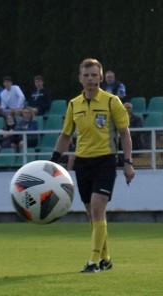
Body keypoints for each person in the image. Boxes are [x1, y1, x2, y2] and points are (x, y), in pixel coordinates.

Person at [50, 58, 135, 273]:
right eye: (86, 75)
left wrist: (128, 162)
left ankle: (94, 261)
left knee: (98, 209)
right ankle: (106, 258)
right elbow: (65, 135)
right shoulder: (73, 104)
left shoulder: (111, 101)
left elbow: (125, 134)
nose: (90, 79)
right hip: (82, 163)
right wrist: (52, 162)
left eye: (94, 75)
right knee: (92, 214)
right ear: (80, 79)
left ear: (101, 77)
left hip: (105, 160)